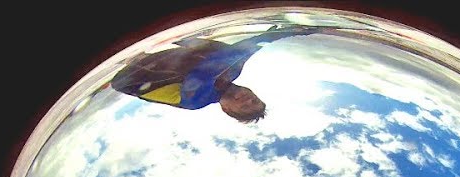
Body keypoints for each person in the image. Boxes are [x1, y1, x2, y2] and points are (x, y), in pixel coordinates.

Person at [111, 25, 321, 123]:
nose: (248, 99)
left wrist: (266, 37)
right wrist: (280, 33)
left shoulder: (197, 101)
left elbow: (202, 75)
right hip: (161, 61)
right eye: (254, 99)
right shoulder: (234, 74)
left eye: (245, 105)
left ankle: (145, 52)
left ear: (226, 108)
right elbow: (248, 49)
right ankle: (183, 36)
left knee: (221, 60)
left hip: (129, 77)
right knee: (227, 57)